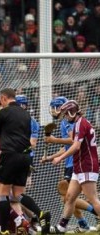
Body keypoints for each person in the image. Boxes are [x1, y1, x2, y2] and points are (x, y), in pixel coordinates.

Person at [0, 88, 50, 235]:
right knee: (17, 194)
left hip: (9, 155)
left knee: (3, 194)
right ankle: (40, 213)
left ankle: (3, 230)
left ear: (3, 98)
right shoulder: (26, 114)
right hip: (25, 157)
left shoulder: (3, 112)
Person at [41, 96, 98, 232]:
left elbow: (75, 146)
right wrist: (51, 157)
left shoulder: (80, 123)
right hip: (78, 166)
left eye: (66, 113)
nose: (65, 116)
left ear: (72, 112)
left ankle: (87, 220)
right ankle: (62, 227)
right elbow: (70, 146)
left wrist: (59, 157)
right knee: (69, 197)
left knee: (93, 199)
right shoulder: (78, 123)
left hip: (86, 165)